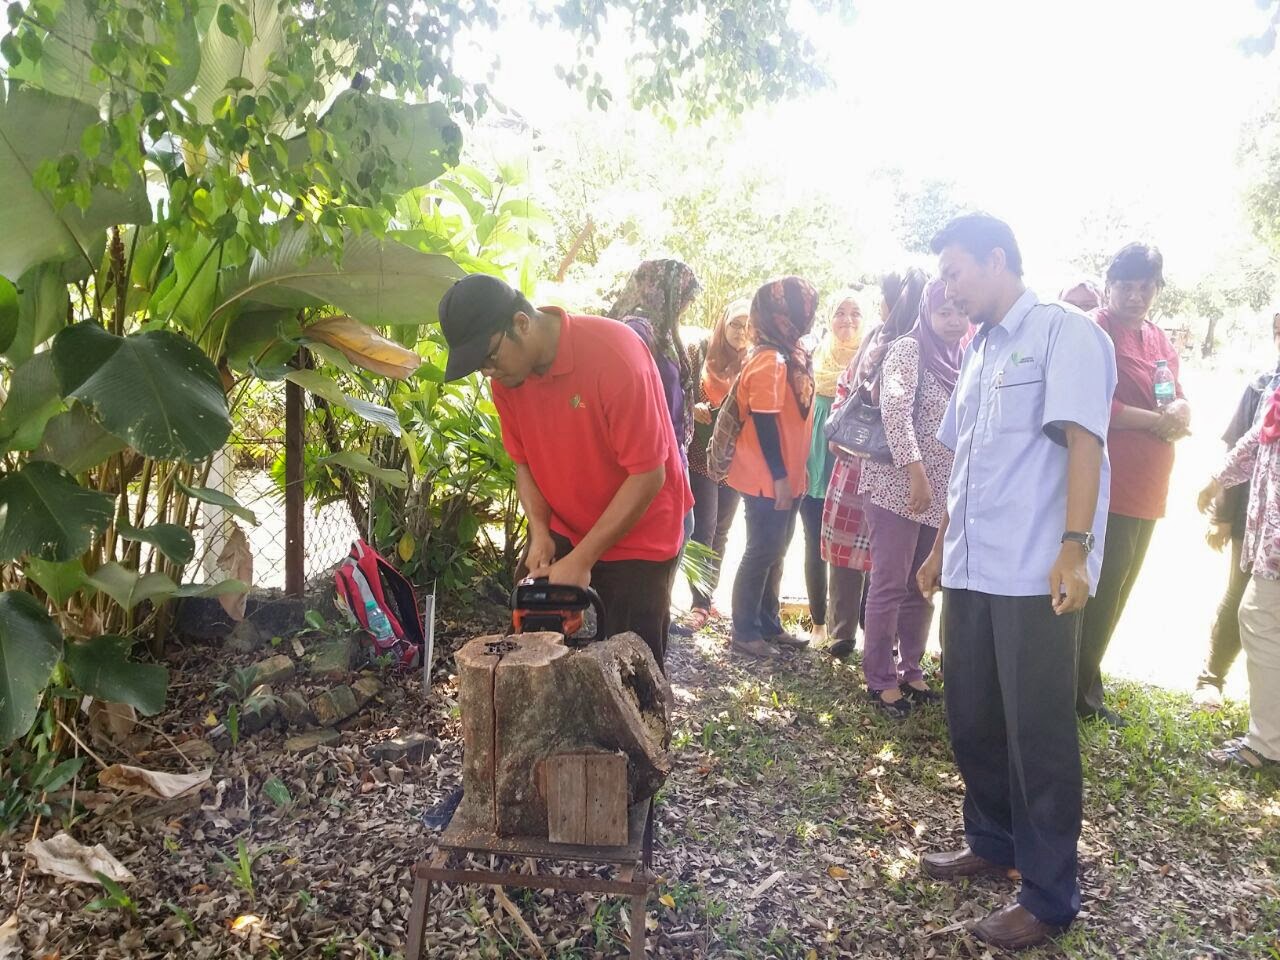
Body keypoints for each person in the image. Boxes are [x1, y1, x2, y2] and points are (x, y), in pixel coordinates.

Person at [916, 213, 1116, 951]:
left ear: (997, 260)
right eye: (943, 275)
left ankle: (1049, 892)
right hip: (971, 568)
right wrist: (940, 548)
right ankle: (992, 839)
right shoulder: (977, 350)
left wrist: (1074, 549)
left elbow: (1085, 443)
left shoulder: (1065, 333)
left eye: (956, 272)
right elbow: (964, 465)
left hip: (1035, 573)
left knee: (1038, 732)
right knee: (971, 714)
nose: (948, 287)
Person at [438, 274, 692, 666]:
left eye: (489, 357)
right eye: (479, 366)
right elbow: (524, 461)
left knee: (633, 670)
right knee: (525, 656)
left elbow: (648, 476)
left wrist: (582, 560)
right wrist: (541, 534)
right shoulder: (509, 377)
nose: (487, 373)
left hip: (642, 532)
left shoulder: (614, 356)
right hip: (564, 527)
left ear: (521, 323)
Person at [1076, 244, 1191, 725]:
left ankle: (1086, 684)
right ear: (1109, 285)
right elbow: (1093, 406)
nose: (1136, 295)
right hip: (1108, 487)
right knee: (1096, 592)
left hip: (1150, 488)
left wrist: (1182, 411)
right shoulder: (1095, 329)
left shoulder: (1158, 340)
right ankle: (1076, 694)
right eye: (1126, 285)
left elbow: (1175, 397)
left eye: (1146, 286)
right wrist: (1155, 422)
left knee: (1119, 592)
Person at [857, 278, 966, 716]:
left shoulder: (965, 357)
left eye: (960, 311)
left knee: (923, 585)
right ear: (928, 312)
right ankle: (879, 679)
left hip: (938, 496)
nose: (954, 320)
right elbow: (896, 415)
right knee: (890, 582)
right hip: (896, 488)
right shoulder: (909, 349)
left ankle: (911, 669)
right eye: (945, 312)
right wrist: (916, 473)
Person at [821, 269, 928, 658]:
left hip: (899, 468)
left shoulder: (925, 343)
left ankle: (884, 640)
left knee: (890, 560)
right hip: (856, 457)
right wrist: (838, 425)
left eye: (890, 298)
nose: (884, 306)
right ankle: (841, 631)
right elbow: (847, 386)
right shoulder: (876, 337)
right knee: (847, 552)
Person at [727, 277, 819, 658]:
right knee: (761, 550)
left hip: (787, 477)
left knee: (776, 550)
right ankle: (744, 630)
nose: (809, 314)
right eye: (802, 308)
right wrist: (781, 477)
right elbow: (765, 424)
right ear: (785, 316)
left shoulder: (790, 354)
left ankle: (767, 623)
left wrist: (797, 473)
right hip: (767, 478)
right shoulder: (769, 359)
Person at [1195, 311, 1280, 709]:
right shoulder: (1265, 385)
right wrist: (1221, 511)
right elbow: (1245, 446)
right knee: (1246, 605)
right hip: (1260, 528)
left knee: (1259, 616)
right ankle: (1213, 678)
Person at [1197, 384, 1280, 771]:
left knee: (1258, 616)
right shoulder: (1273, 383)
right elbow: (1260, 435)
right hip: (1267, 536)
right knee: (1258, 615)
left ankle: (1266, 746)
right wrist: (1220, 478)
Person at [682, 298, 750, 630]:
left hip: (734, 460)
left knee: (722, 531)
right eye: (736, 323)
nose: (741, 332)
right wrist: (692, 406)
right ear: (723, 323)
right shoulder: (700, 350)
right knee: (703, 528)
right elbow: (678, 389)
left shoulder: (752, 362)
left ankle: (707, 599)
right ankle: (698, 602)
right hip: (699, 455)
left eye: (748, 325)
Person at [800, 292, 864, 644]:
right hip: (814, 463)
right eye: (840, 312)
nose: (847, 320)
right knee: (814, 542)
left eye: (856, 313)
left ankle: (855, 629)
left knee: (858, 547)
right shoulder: (813, 358)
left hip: (850, 466)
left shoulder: (870, 357)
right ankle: (819, 624)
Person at [607, 258, 701, 469]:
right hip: (652, 459)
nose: (688, 304)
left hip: (668, 451)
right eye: (685, 295)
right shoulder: (637, 331)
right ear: (666, 290)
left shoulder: (661, 331)